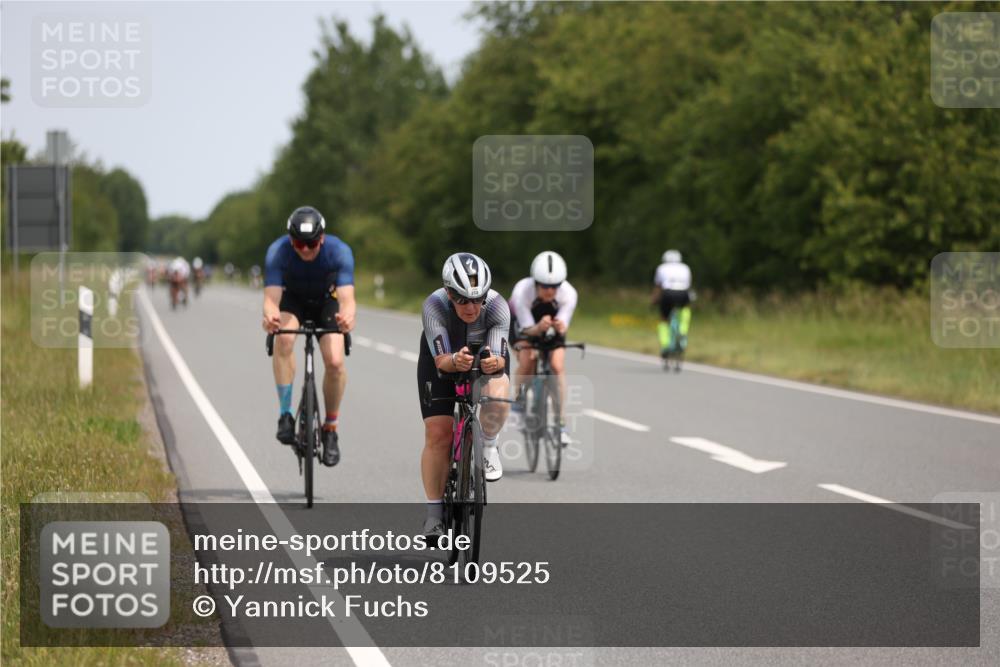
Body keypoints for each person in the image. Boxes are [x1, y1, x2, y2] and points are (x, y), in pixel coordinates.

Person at [418, 252, 511, 539]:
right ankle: (434, 515)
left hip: (484, 352)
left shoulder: (497, 307)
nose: (471, 307)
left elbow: (499, 358)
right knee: (438, 433)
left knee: (498, 391)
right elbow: (442, 361)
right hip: (443, 357)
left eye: (477, 298)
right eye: (461, 300)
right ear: (448, 293)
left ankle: (490, 446)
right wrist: (453, 361)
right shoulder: (434, 306)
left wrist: (494, 363)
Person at [261, 206, 356, 467]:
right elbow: (271, 299)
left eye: (311, 243)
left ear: (322, 239)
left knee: (335, 362)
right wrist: (270, 316)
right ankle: (285, 415)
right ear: (290, 240)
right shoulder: (278, 252)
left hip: (327, 301)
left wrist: (347, 317)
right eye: (299, 243)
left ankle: (330, 429)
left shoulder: (339, 251)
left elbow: (347, 300)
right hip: (293, 301)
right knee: (284, 338)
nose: (305, 249)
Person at [508, 251, 578, 447]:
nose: (550, 291)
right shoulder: (522, 291)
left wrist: (558, 326)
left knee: (557, 366)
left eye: (555, 286)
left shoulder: (569, 293)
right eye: (545, 286)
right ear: (536, 282)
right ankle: (519, 402)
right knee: (527, 359)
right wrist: (538, 328)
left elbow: (563, 324)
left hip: (551, 322)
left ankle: (561, 424)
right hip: (523, 322)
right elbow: (526, 327)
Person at [652, 249, 692, 356]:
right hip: (683, 293)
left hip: (668, 293)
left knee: (664, 320)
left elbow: (658, 287)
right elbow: (688, 285)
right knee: (685, 309)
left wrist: (654, 300)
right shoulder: (685, 267)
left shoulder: (661, 268)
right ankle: (683, 331)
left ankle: (665, 345)